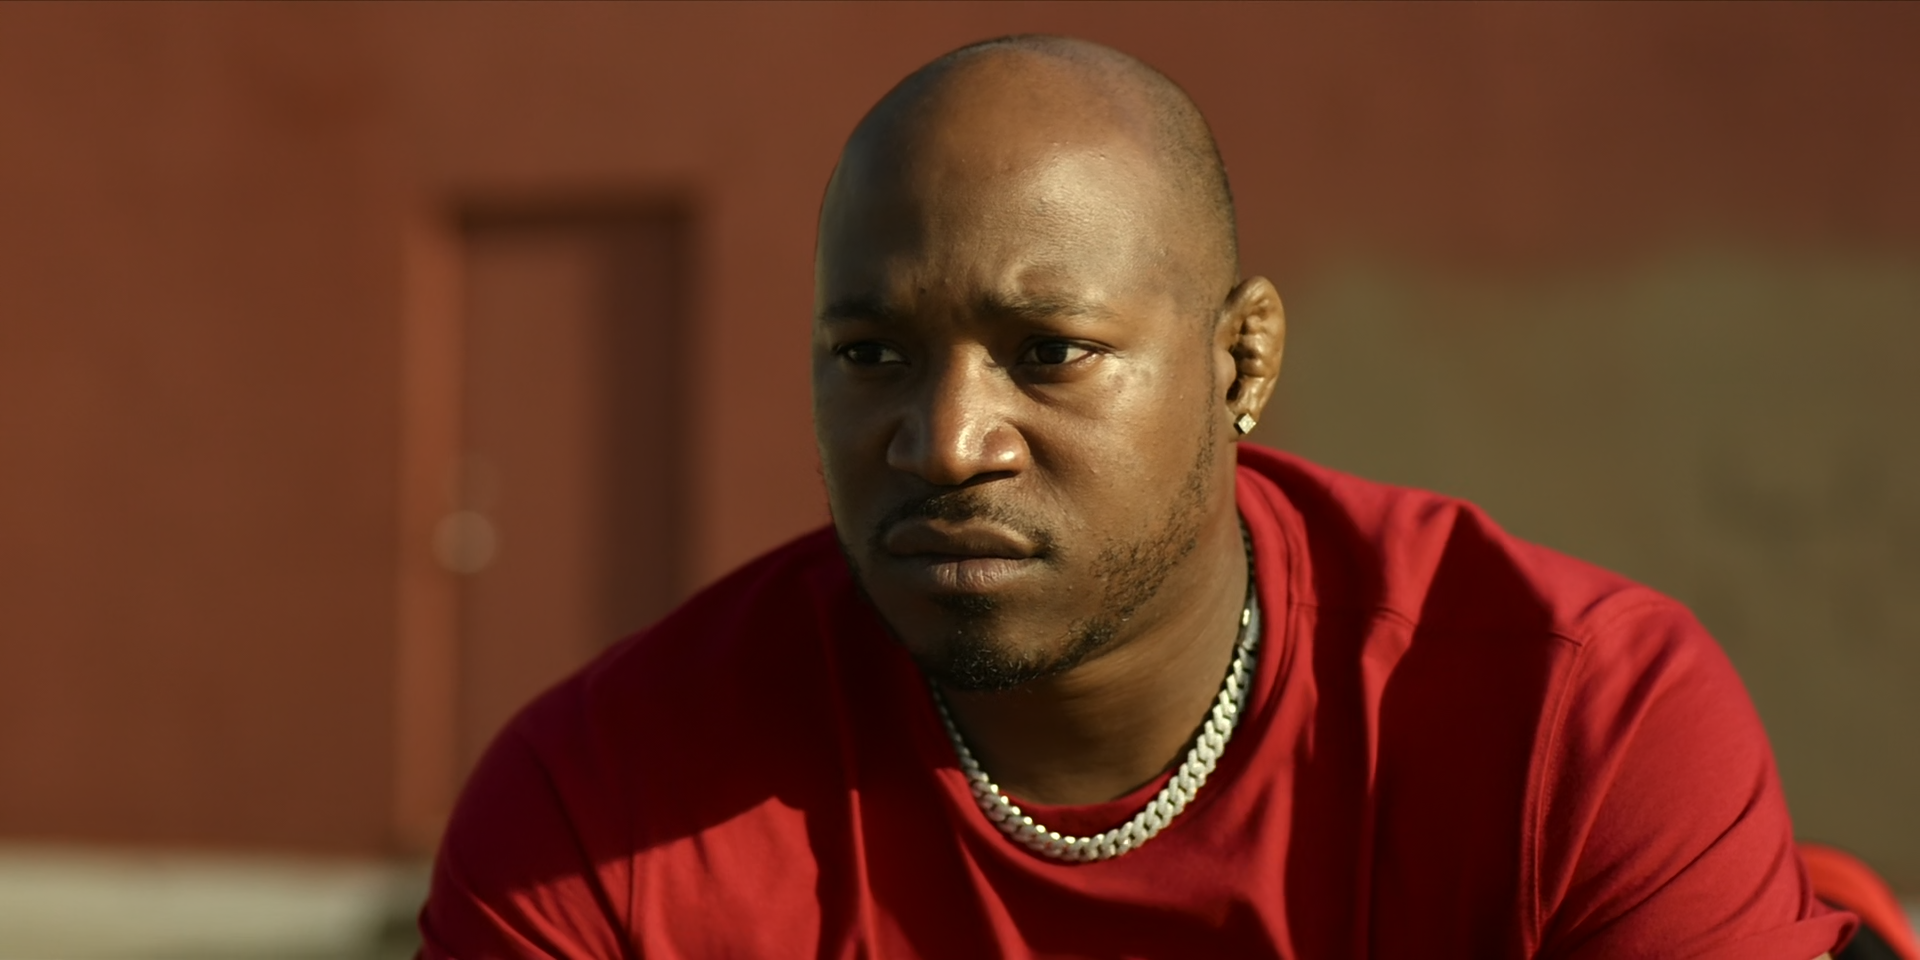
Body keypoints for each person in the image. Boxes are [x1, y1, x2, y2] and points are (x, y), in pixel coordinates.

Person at [419, 35, 1863, 958]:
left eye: (1049, 352)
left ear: (1242, 362)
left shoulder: (1570, 723)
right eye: (871, 356)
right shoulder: (600, 812)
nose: (946, 442)